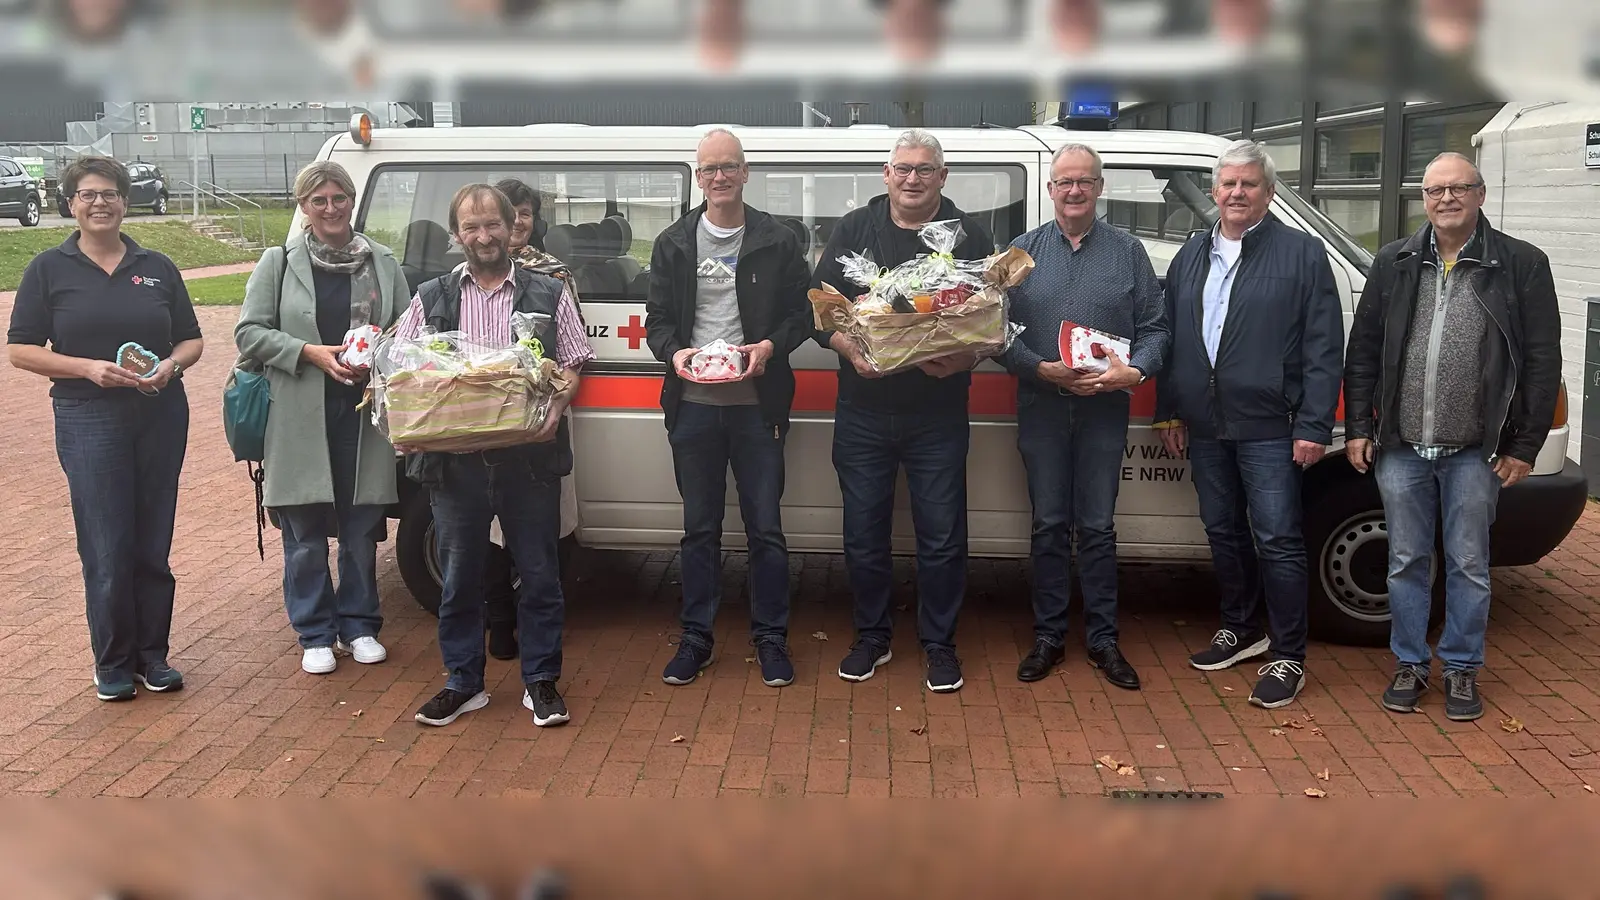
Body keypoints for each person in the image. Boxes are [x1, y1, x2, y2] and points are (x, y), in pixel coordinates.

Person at [1344, 152, 1561, 722]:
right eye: (1435, 190)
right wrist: (1359, 428)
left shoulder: (1521, 264)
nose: (1446, 198)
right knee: (1406, 560)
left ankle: (1462, 668)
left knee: (1468, 563)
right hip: (1402, 446)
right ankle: (1410, 663)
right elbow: (1363, 351)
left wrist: (1524, 445)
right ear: (1423, 199)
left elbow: (1541, 361)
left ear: (1480, 195)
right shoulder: (1394, 262)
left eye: (1459, 188)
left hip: (1476, 450)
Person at [1153, 139, 1343, 710]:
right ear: (1214, 191)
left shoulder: (1303, 255)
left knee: (1279, 540)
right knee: (1223, 532)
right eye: (1228, 184)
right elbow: (1172, 336)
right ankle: (1241, 627)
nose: (1237, 193)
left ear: (1269, 191)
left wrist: (1313, 424)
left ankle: (1288, 654)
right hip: (1206, 424)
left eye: (1249, 184)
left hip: (1270, 425)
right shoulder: (1191, 253)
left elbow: (1323, 346)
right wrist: (1168, 408)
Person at [395, 183, 593, 729]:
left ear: (513, 228)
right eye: (471, 227)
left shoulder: (547, 292)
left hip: (528, 460)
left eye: (493, 225)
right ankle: (463, 682)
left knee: (539, 573)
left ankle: (541, 682)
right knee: (460, 578)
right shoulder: (431, 296)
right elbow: (402, 371)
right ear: (458, 235)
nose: (484, 236)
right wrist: (409, 423)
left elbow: (574, 361)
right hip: (455, 466)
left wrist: (555, 408)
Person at [6, 155, 204, 701]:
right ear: (70, 202)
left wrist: (173, 366)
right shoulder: (48, 269)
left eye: (110, 193)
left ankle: (153, 657)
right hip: (88, 416)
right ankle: (113, 661)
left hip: (160, 411)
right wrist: (87, 368)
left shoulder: (156, 265)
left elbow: (191, 338)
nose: (100, 202)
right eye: (88, 194)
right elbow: (20, 350)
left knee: (152, 538)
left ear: (124, 200)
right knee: (107, 541)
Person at [813, 129, 994, 693]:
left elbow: (991, 322)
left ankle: (940, 643)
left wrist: (964, 358)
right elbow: (819, 314)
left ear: (942, 177)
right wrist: (853, 349)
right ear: (886, 175)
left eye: (924, 169)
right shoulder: (854, 230)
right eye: (902, 169)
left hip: (937, 414)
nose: (912, 178)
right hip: (863, 408)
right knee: (864, 533)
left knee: (942, 535)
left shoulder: (967, 235)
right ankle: (872, 635)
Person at [644, 128, 813, 688]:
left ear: (745, 173)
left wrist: (769, 348)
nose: (719, 177)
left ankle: (770, 638)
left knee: (766, 529)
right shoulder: (673, 242)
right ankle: (696, 638)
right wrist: (677, 354)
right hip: (693, 406)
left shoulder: (778, 238)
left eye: (729, 167)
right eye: (709, 169)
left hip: (756, 407)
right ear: (699, 177)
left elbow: (802, 313)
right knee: (699, 530)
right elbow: (658, 321)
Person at [1001, 143, 1168, 690]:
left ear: (1100, 187)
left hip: (1104, 408)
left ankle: (1102, 640)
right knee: (1049, 524)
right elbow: (995, 335)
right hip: (1042, 405)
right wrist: (1038, 368)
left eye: (1084, 182)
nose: (1073, 191)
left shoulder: (1128, 253)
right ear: (1050, 189)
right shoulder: (1021, 255)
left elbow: (1158, 329)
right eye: (1063, 182)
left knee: (1096, 527)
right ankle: (1048, 636)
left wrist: (1135, 372)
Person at [235, 161, 410, 676]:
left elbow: (404, 329)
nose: (330, 208)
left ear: (352, 201)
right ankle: (314, 631)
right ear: (303, 207)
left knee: (360, 529)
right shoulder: (279, 263)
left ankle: (359, 625)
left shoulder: (381, 261)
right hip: (298, 415)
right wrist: (308, 351)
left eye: (338, 198)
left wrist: (375, 355)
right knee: (305, 531)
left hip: (361, 413)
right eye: (319, 200)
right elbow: (249, 334)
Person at [480, 176, 579, 663]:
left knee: (544, 525)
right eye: (509, 213)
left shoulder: (554, 274)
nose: (518, 222)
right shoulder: (465, 274)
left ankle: (539, 622)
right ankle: (499, 620)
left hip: (541, 416)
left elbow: (573, 346)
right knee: (490, 529)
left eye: (525, 213)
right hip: (484, 417)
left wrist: (552, 400)